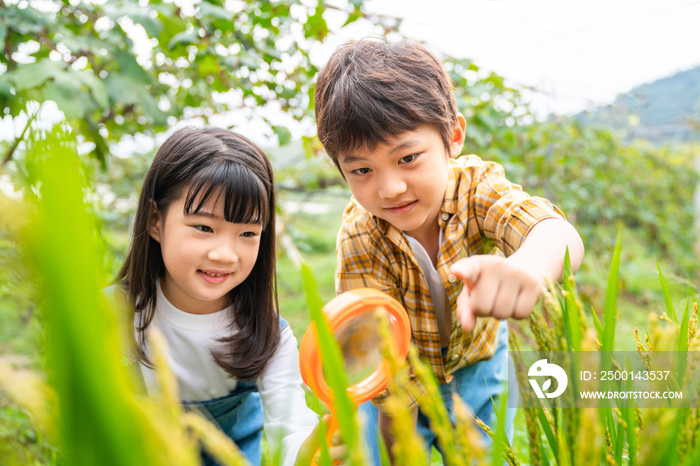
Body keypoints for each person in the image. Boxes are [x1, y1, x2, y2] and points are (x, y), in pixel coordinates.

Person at [314, 37, 585, 464]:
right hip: (401, 380)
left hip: (478, 363)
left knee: (483, 456)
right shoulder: (360, 235)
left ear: (453, 136)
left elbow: (553, 231)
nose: (389, 188)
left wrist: (530, 268)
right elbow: (373, 345)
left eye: (407, 158)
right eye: (362, 170)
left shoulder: (477, 189)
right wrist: (392, 419)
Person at [105, 127, 342, 466]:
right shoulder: (108, 314)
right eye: (204, 228)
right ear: (156, 220)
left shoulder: (268, 336)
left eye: (247, 233)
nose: (225, 254)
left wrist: (309, 450)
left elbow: (290, 427)